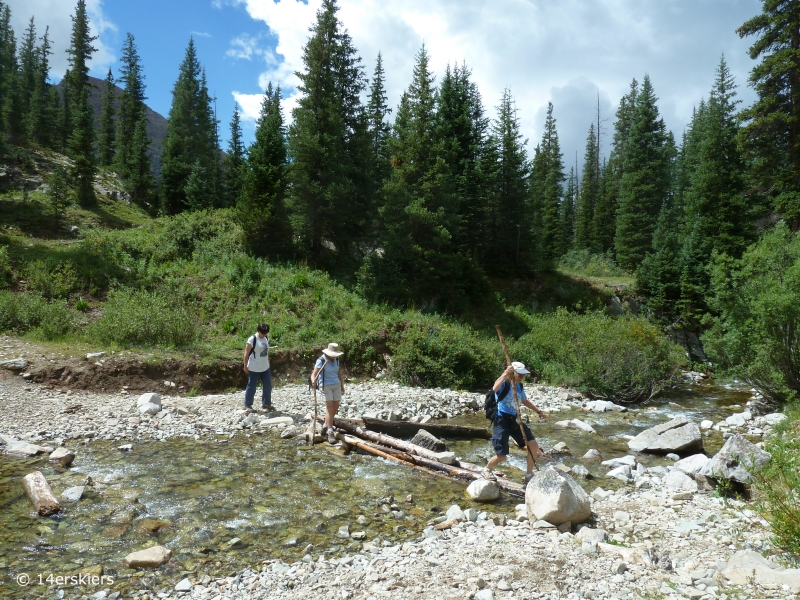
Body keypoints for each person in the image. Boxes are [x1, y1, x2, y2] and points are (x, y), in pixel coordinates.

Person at [482, 361, 547, 484]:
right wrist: (505, 373)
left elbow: (525, 401)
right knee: (502, 456)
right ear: (513, 372)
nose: (522, 377)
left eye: (524, 374)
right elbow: (495, 388)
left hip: (514, 419)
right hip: (501, 420)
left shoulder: (519, 386)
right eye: (520, 374)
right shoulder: (505, 383)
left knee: (533, 445)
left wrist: (539, 411)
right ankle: (487, 469)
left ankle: (528, 475)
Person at [311, 342, 345, 444]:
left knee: (335, 407)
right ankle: (330, 432)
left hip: (336, 385)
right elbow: (314, 374)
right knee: (329, 408)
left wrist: (342, 385)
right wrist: (313, 381)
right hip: (325, 386)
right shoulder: (321, 360)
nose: (334, 357)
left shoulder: (336, 360)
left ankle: (325, 425)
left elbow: (338, 373)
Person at [243, 323, 273, 411]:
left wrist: (268, 360)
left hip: (265, 367)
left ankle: (266, 404)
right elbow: (246, 353)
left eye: (266, 333)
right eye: (263, 333)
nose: (264, 335)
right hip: (254, 367)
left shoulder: (266, 338)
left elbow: (266, 351)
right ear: (258, 331)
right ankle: (248, 404)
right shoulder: (252, 339)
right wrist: (245, 365)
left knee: (268, 385)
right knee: (252, 386)